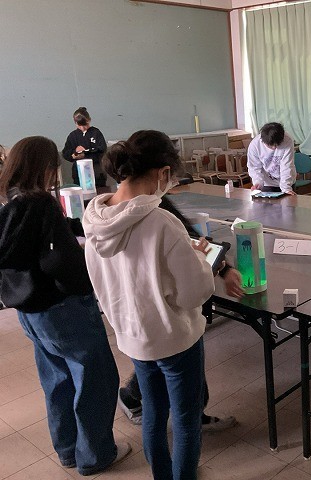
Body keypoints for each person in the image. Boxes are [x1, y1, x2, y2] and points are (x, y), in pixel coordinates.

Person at [83, 130, 214, 479]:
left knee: (154, 413)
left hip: (133, 337)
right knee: (185, 421)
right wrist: (199, 260)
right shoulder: (162, 222)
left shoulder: (94, 221)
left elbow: (101, 284)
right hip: (174, 339)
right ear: (163, 173)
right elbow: (193, 293)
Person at [0, 136, 130, 475]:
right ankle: (96, 456)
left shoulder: (11, 199)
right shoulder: (40, 202)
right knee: (95, 380)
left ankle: (68, 450)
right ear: (44, 167)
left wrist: (76, 227)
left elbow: (38, 241)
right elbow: (58, 260)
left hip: (29, 310)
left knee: (57, 380)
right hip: (63, 309)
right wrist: (86, 272)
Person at [117, 195, 243, 427]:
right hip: (162, 311)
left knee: (160, 367)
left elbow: (190, 238)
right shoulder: (138, 213)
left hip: (153, 316)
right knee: (169, 367)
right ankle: (187, 417)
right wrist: (204, 271)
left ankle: (137, 399)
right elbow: (193, 286)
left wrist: (224, 268)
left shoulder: (154, 203)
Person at [62, 107, 108, 188]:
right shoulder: (73, 136)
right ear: (75, 123)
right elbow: (65, 153)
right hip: (79, 173)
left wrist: (86, 154)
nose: (83, 128)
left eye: (85, 125)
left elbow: (102, 150)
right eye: (80, 125)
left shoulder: (96, 133)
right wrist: (73, 154)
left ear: (89, 120)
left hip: (96, 172)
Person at [247, 122, 296, 194]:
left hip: (287, 182)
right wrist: (258, 182)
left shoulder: (287, 140)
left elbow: (287, 166)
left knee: (288, 200)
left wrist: (286, 189)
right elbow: (254, 167)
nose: (274, 147)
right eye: (270, 145)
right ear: (263, 141)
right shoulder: (255, 145)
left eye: (277, 145)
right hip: (267, 184)